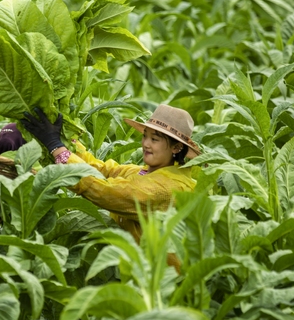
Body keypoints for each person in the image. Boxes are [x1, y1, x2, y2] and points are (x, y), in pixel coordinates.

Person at [22, 104, 199, 245]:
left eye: (155, 139)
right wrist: (69, 141)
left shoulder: (168, 189)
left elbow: (106, 192)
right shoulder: (145, 172)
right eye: (145, 136)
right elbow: (101, 169)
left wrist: (55, 146)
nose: (145, 144)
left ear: (177, 148)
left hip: (153, 280)